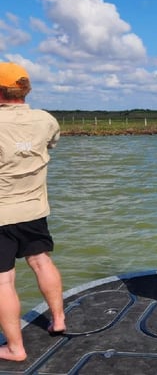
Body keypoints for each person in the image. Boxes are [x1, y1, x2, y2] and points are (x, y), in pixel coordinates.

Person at [0, 62, 66, 361]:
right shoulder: (45, 120)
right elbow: (51, 143)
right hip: (35, 208)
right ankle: (59, 319)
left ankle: (15, 348)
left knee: (3, 281)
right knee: (41, 261)